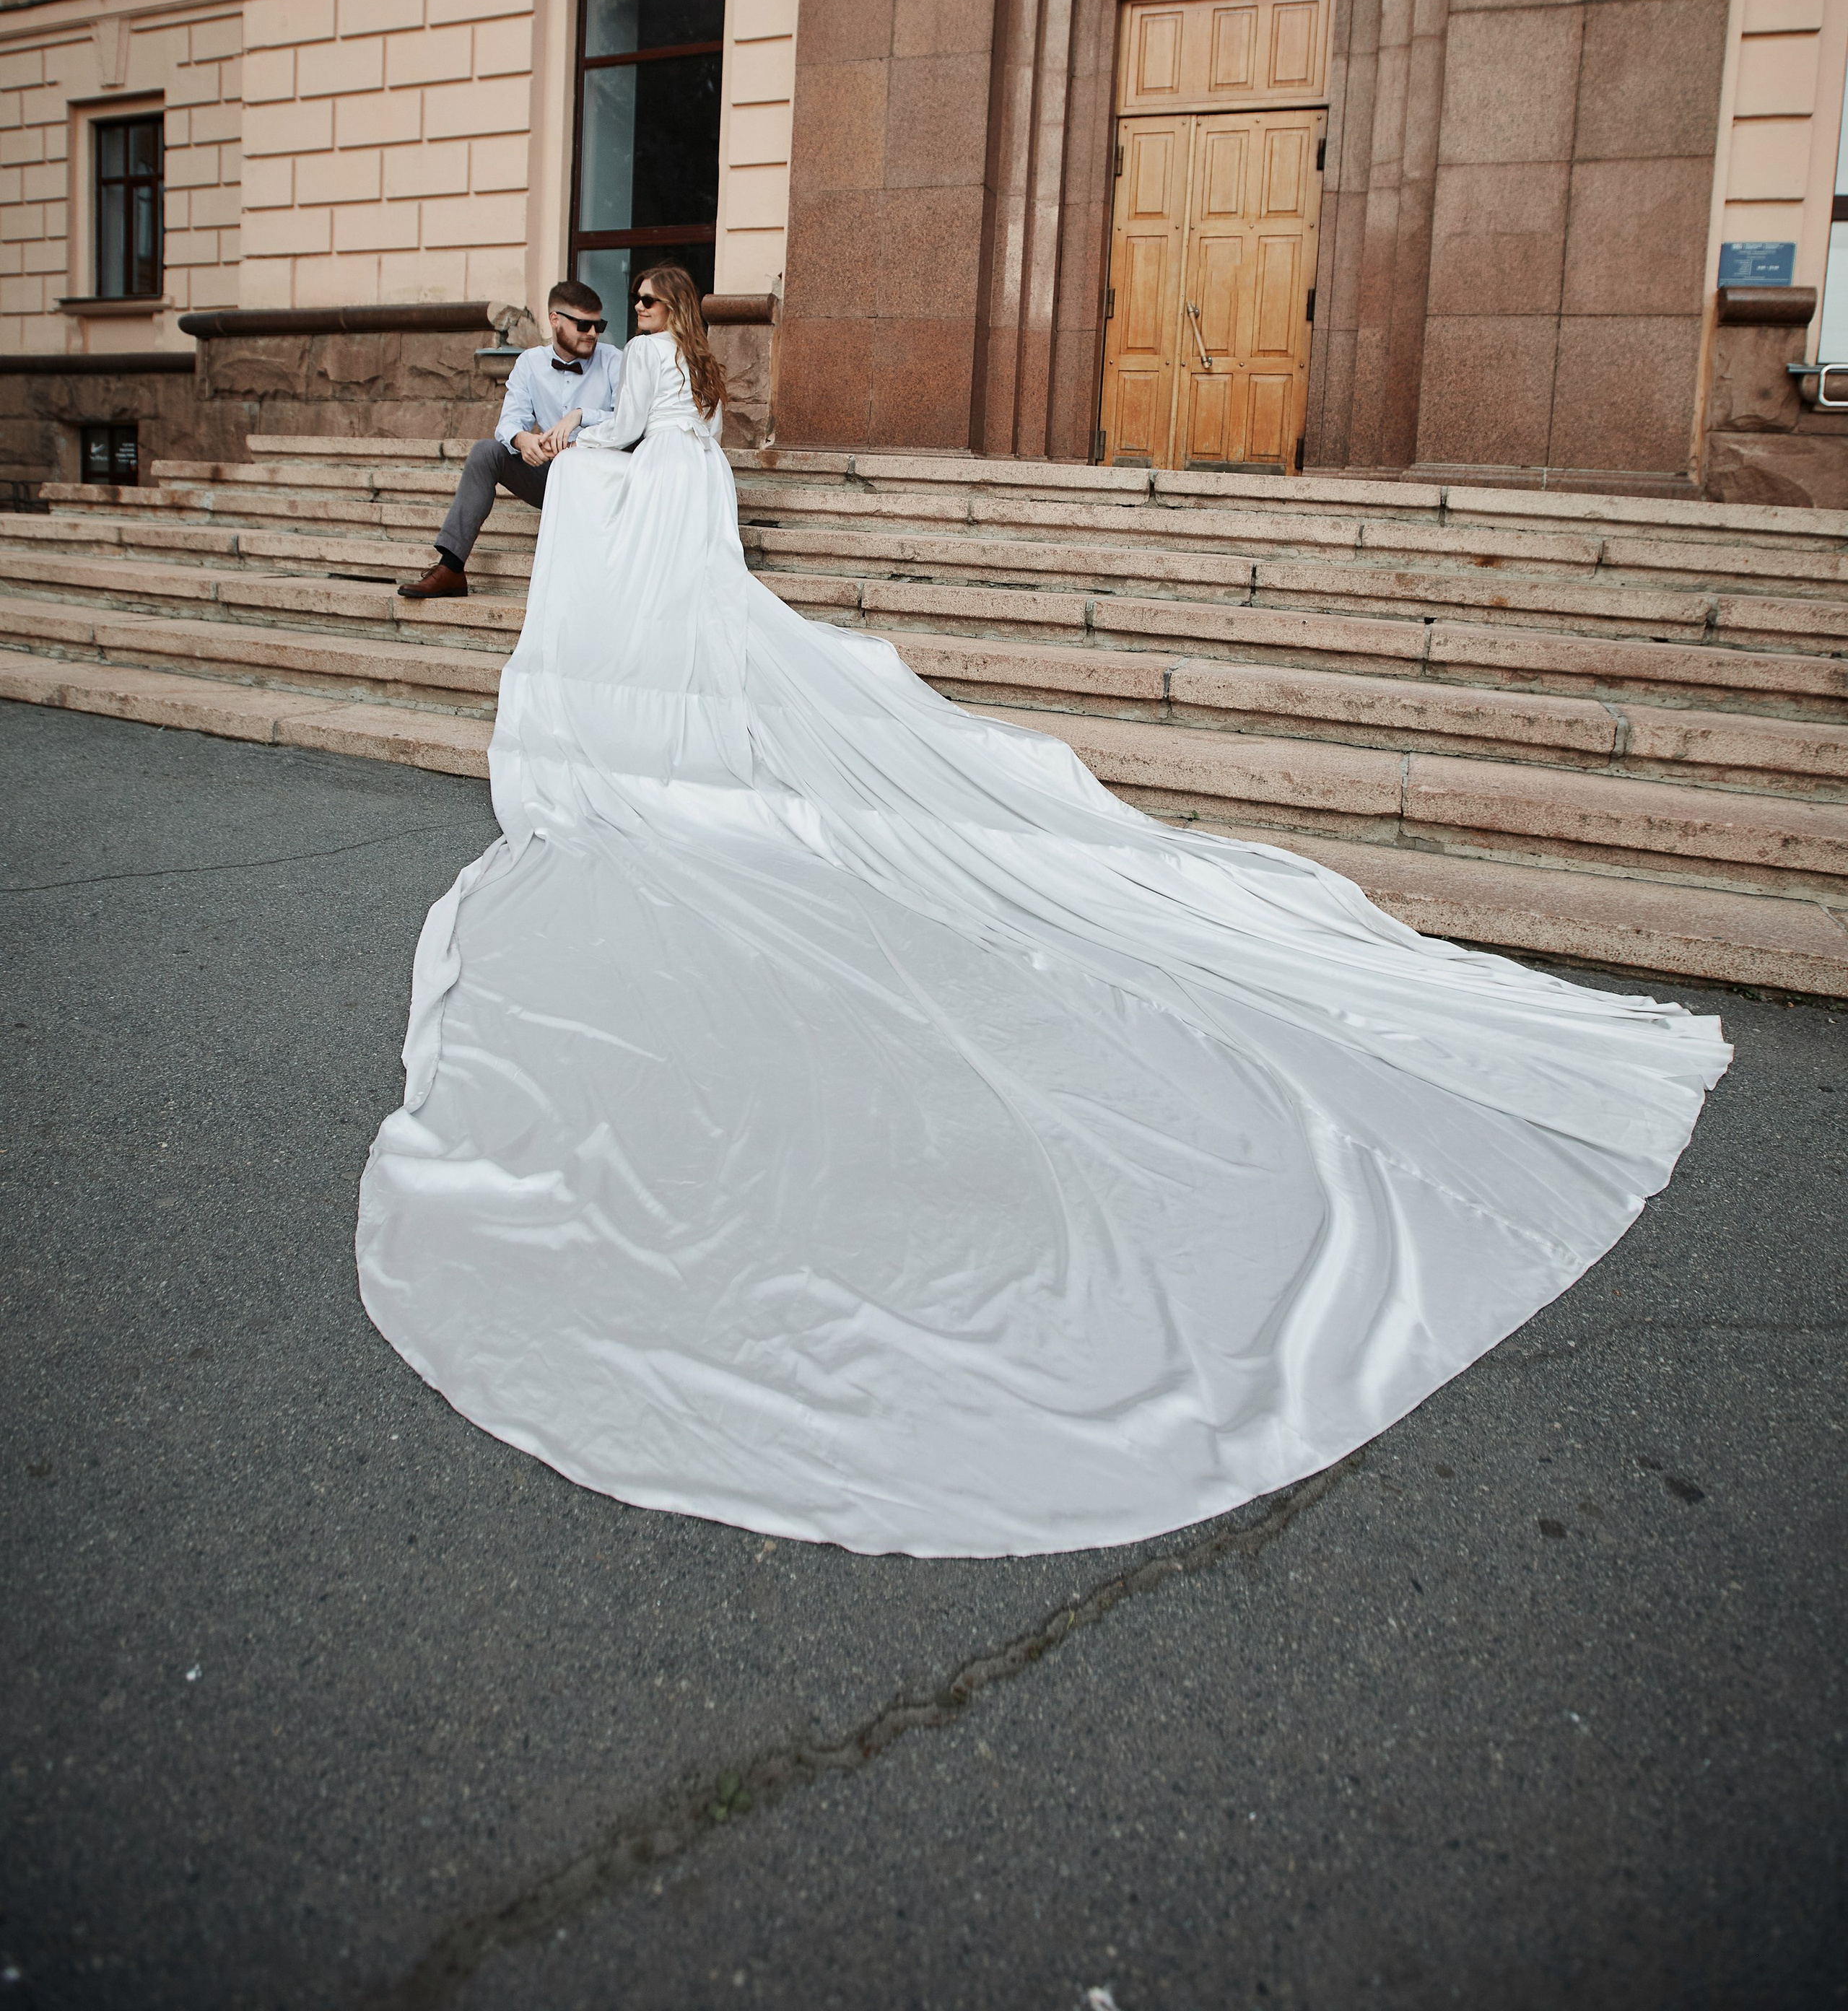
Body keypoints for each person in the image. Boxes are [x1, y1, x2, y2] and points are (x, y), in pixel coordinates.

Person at [357, 266, 1731, 1561]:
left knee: (609, 541)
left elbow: (630, 437)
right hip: (696, 494)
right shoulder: (705, 369)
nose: (644, 315)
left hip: (652, 494)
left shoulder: (651, 362)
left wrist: (580, 449)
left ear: (656, 311)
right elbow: (698, 439)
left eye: (648, 302)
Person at [397, 279, 624, 601]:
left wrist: (580, 415)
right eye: (583, 325)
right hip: (551, 475)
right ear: (555, 319)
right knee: (486, 452)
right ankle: (451, 568)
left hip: (597, 478)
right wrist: (522, 440)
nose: (592, 333)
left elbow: (627, 422)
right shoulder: (529, 363)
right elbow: (509, 422)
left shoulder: (614, 360)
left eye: (598, 325)